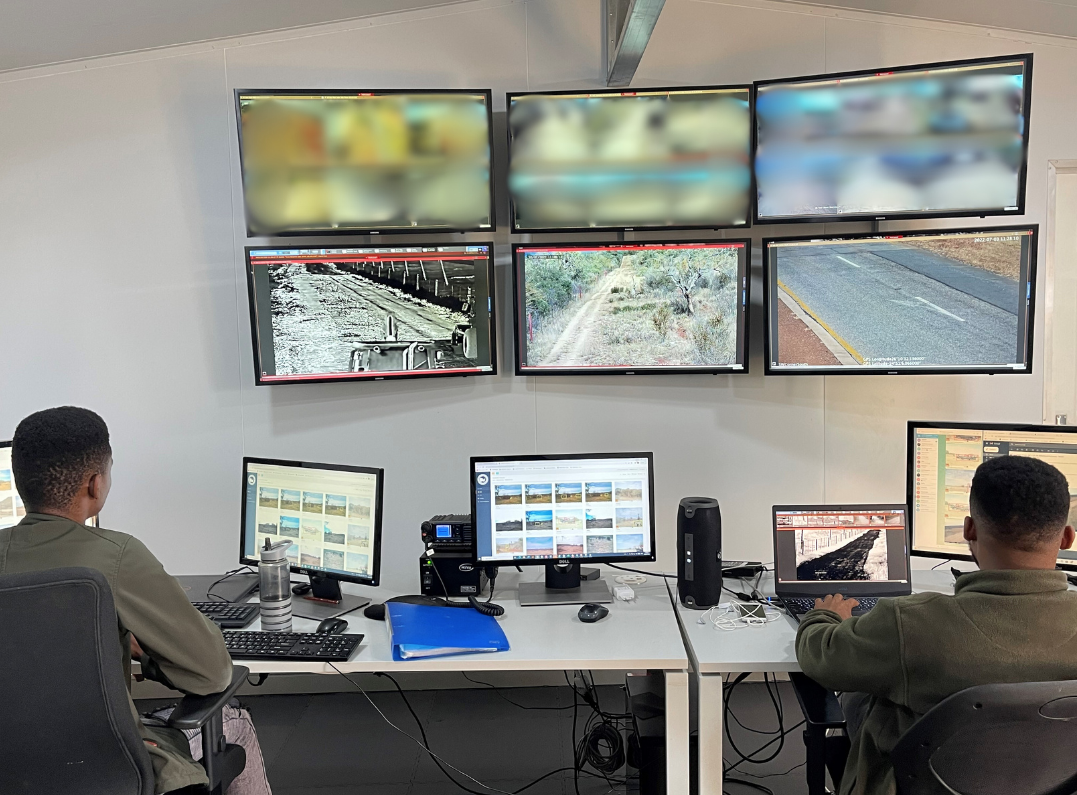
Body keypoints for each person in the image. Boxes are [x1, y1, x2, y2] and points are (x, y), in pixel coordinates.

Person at [0, 407, 272, 794]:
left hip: (10, 771)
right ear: (95, 484)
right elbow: (211, 673)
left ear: (18, 480)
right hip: (113, 767)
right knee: (236, 724)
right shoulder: (117, 556)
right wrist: (148, 656)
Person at [796, 455, 1077, 795]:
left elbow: (821, 656)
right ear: (1066, 538)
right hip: (1050, 782)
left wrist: (825, 616)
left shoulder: (911, 623)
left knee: (868, 689)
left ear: (969, 529)